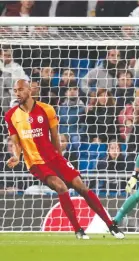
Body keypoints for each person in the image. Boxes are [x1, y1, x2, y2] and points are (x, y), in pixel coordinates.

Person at [4, 79, 124, 240]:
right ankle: (78, 230)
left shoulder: (47, 109)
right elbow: (16, 142)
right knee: (61, 187)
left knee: (81, 186)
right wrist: (16, 156)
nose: (17, 93)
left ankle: (111, 225)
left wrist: (60, 158)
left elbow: (55, 137)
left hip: (53, 157)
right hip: (35, 162)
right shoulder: (11, 115)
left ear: (30, 90)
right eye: (15, 90)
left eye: (20, 89)